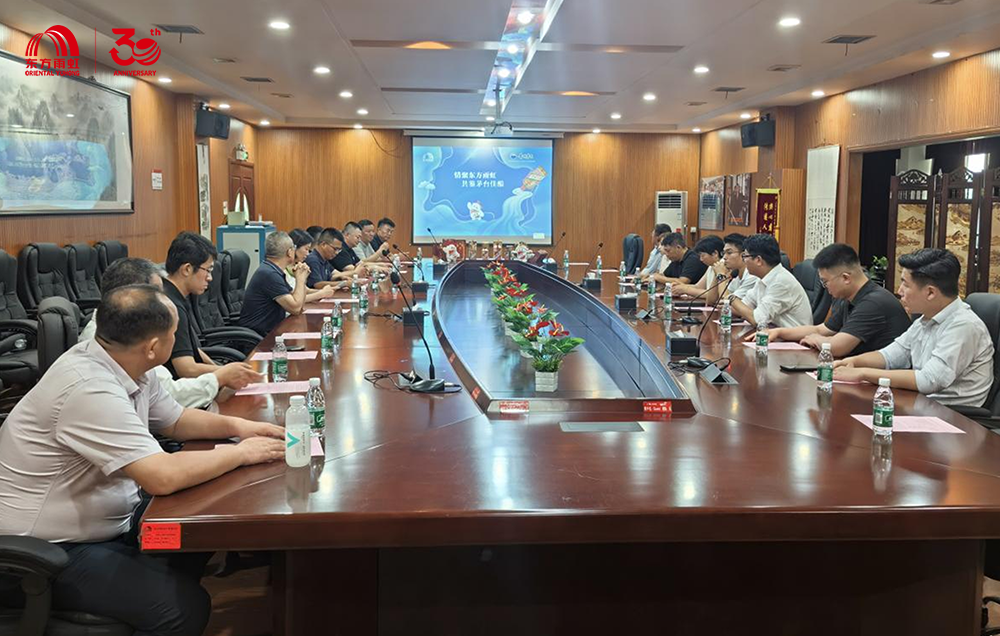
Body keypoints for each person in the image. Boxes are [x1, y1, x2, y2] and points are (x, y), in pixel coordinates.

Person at [0, 284, 285, 635]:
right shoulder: (88, 386)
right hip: (45, 553)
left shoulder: (129, 364)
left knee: (189, 535)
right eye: (174, 333)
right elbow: (161, 477)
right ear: (153, 347)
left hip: (107, 522)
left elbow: (176, 421)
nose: (177, 339)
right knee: (182, 608)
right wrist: (241, 453)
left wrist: (241, 427)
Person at [79, 258, 256, 407]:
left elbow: (169, 412)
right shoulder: (111, 340)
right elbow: (171, 397)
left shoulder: (127, 328)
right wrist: (219, 377)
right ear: (132, 297)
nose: (163, 300)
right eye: (157, 293)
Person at [833, 248, 994, 407]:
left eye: (905, 284)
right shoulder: (925, 319)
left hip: (952, 415)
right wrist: (853, 362)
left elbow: (928, 380)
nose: (899, 291)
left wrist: (862, 373)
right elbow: (890, 356)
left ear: (930, 293)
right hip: (921, 404)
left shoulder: (963, 326)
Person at [766, 244, 911, 357]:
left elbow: (837, 347)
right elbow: (820, 329)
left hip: (885, 380)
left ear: (846, 278)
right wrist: (779, 332)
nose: (825, 287)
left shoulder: (873, 302)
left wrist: (816, 339)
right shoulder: (851, 298)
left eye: (825, 282)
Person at [163, 232, 261, 383]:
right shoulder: (171, 305)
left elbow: (190, 349)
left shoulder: (173, 294)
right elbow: (186, 369)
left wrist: (218, 367)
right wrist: (225, 372)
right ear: (187, 269)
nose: (210, 278)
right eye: (208, 270)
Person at [238, 231, 312, 337]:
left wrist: (301, 278)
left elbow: (297, 302)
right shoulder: (269, 274)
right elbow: (295, 308)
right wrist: (300, 279)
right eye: (294, 248)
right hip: (259, 337)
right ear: (289, 252)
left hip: (271, 331)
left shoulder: (273, 269)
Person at [731, 233, 811, 329]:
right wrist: (732, 303)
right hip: (772, 333)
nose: (744, 261)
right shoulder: (763, 278)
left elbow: (757, 320)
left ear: (758, 260)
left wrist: (731, 298)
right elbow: (740, 308)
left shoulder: (781, 282)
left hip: (793, 337)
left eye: (745, 256)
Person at [671, 236, 729, 303]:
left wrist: (685, 289)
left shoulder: (725, 266)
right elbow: (698, 287)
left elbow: (714, 294)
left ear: (715, 254)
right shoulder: (711, 266)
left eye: (703, 255)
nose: (701, 259)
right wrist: (680, 286)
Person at [287, 229, 340, 303]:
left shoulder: (297, 267)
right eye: (306, 249)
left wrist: (326, 291)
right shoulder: (283, 271)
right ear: (294, 248)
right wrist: (321, 294)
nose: (307, 254)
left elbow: (306, 290)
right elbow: (295, 299)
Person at [642, 232, 707, 286]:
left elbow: (682, 282)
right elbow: (664, 275)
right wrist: (650, 276)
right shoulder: (676, 259)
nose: (666, 254)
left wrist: (658, 278)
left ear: (678, 247)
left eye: (668, 251)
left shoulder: (693, 259)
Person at [720, 233, 759, 301]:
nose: (724, 257)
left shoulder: (752, 276)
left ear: (743, 255)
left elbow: (726, 301)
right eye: (723, 253)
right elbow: (713, 300)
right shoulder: (735, 275)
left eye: (729, 253)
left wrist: (720, 276)